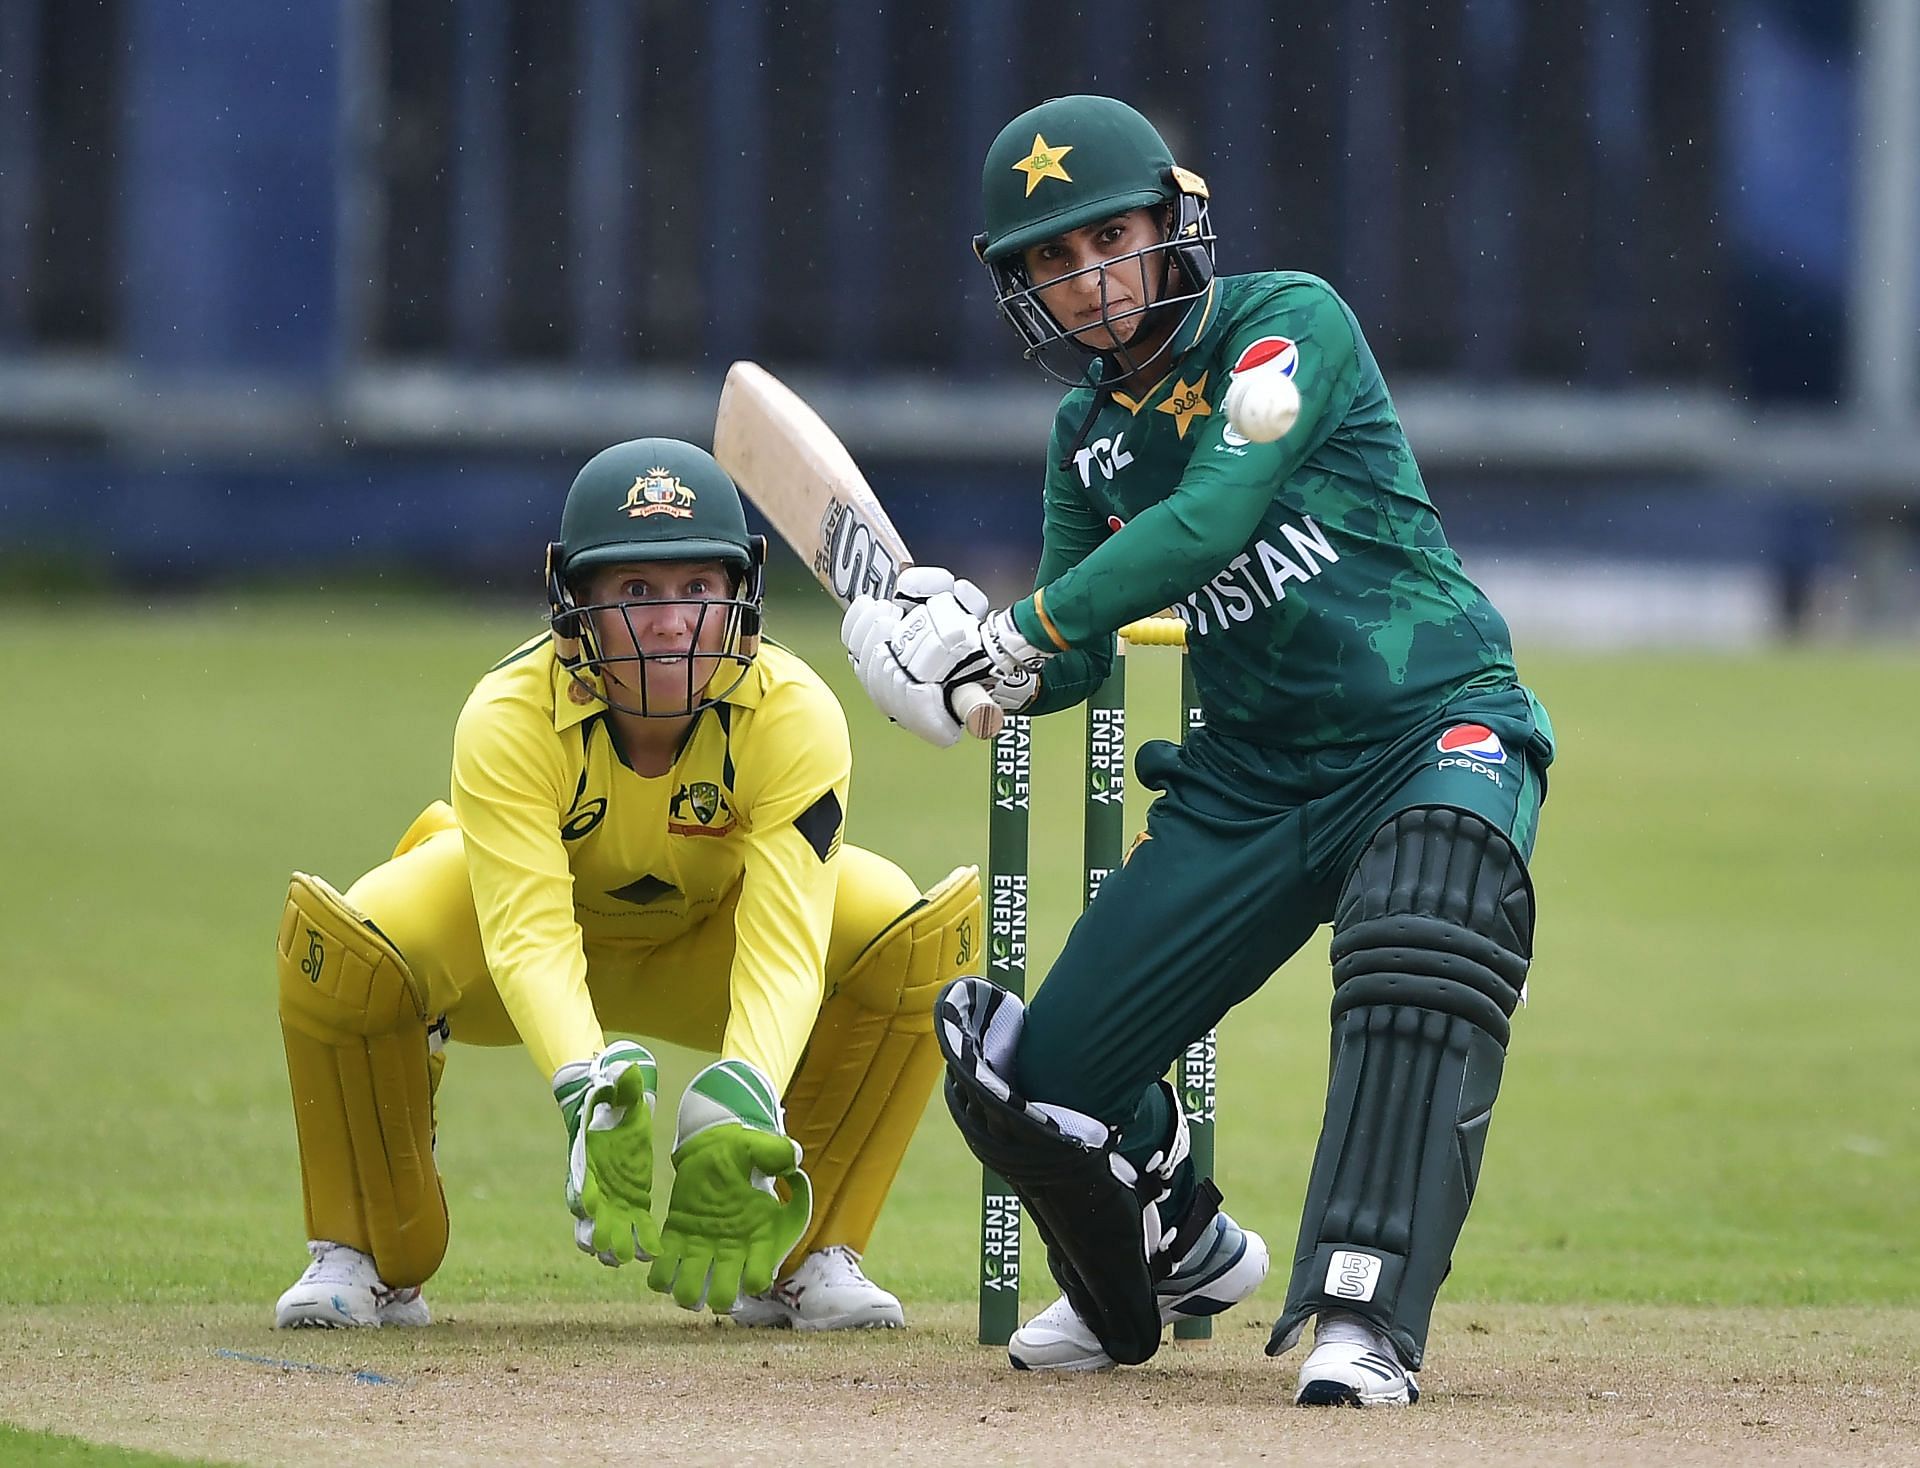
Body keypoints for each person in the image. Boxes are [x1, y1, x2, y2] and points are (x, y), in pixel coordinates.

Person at [841, 96, 1554, 1405]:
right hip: (1252, 778)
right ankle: (1181, 1246)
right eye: (1050, 263)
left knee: (1419, 929)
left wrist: (1025, 624)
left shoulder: (1292, 326)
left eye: (1108, 237)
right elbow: (1077, 660)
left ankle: (1363, 1315)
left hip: (1428, 726)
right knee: (1045, 1091)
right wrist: (955, 676)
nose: (1088, 281)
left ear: (1174, 226)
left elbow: (1219, 512)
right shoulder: (1083, 439)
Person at [274, 438, 979, 1332]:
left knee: (907, 934)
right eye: (636, 593)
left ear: (739, 593)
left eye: (697, 589)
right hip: (507, 962)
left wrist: (743, 1095)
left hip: (705, 950)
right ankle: (366, 1251)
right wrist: (584, 1083)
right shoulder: (508, 712)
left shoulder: (794, 712)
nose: (672, 621)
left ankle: (801, 1258)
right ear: (577, 602)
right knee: (353, 947)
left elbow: (788, 940)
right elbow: (526, 933)